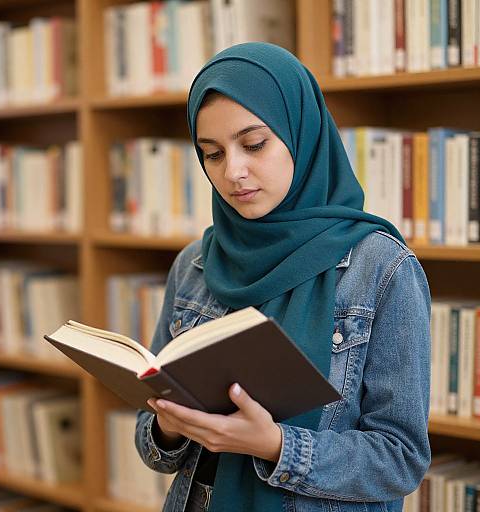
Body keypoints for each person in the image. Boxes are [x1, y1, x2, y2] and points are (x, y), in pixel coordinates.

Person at [135, 42, 431, 512]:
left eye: (254, 144)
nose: (233, 171)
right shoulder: (194, 263)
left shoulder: (383, 269)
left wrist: (275, 445)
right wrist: (168, 424)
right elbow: (155, 450)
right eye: (212, 154)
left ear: (301, 132)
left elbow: (401, 459)